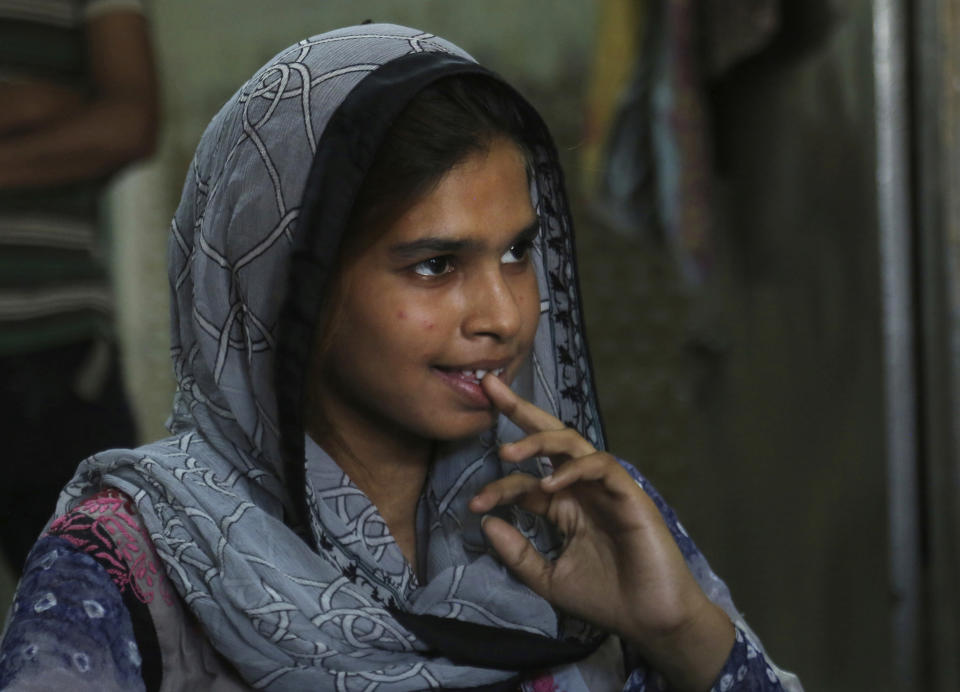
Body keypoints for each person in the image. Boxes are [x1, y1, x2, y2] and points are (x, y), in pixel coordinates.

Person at [0, 24, 802, 692]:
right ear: (290, 286)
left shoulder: (585, 519)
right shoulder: (126, 563)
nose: (504, 315)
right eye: (435, 264)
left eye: (520, 253)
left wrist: (684, 631)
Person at [0, 0, 158, 570]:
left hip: (63, 358)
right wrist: (36, 106)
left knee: (107, 617)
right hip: (64, 355)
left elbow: (129, 122)